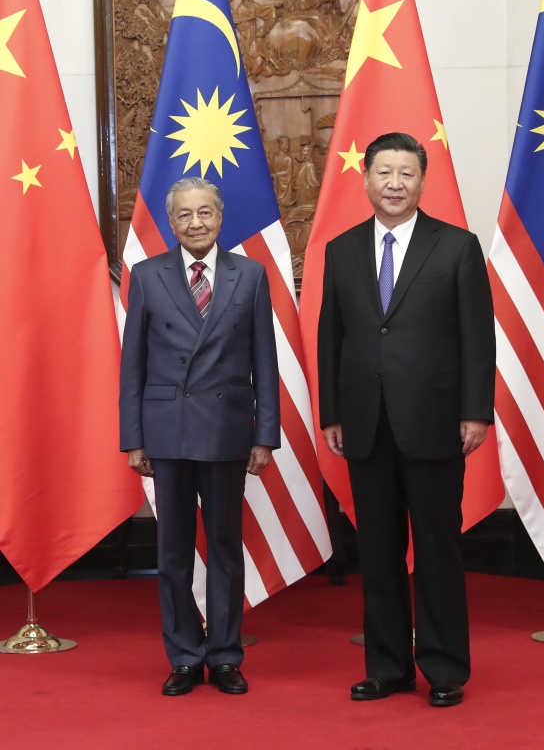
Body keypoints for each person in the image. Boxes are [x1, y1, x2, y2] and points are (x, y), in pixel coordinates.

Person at [318, 132, 495, 707]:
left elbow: (477, 337)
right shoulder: (341, 249)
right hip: (364, 423)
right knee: (377, 551)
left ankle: (444, 668)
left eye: (406, 174)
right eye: (384, 173)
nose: (394, 184)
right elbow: (331, 336)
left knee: (438, 549)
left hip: (437, 420)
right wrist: (332, 412)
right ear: (365, 178)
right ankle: (387, 667)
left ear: (422, 181)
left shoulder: (457, 246)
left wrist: (475, 411)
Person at [120, 177, 280, 697]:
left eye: (205, 212)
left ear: (220, 216)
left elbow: (264, 360)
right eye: (185, 214)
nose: (196, 223)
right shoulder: (147, 275)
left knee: (226, 548)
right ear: (171, 222)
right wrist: (134, 439)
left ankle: (226, 655)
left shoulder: (250, 275)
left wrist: (265, 434)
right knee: (173, 552)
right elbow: (132, 366)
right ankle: (185, 656)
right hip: (166, 432)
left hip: (227, 431)